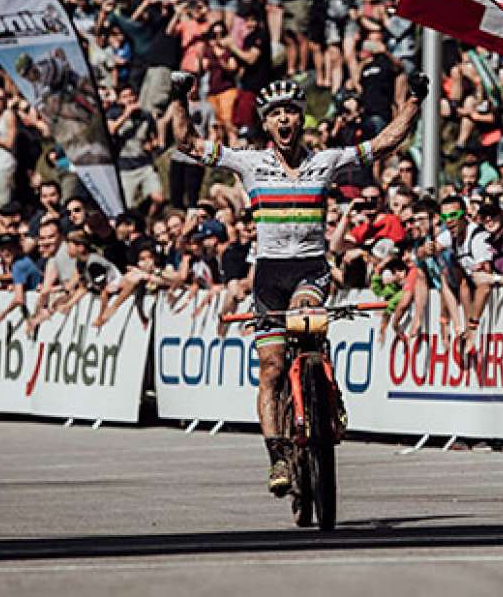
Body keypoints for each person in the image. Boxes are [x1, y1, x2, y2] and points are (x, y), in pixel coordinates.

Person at [169, 69, 429, 497]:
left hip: (310, 270)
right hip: (269, 274)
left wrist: (414, 101)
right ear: (267, 124)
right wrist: (179, 97)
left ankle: (328, 394)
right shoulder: (250, 164)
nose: (285, 120)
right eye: (276, 115)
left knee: (309, 323)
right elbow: (187, 144)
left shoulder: (323, 161)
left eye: (292, 112)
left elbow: (384, 143)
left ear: (302, 119)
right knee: (270, 369)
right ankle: (276, 458)